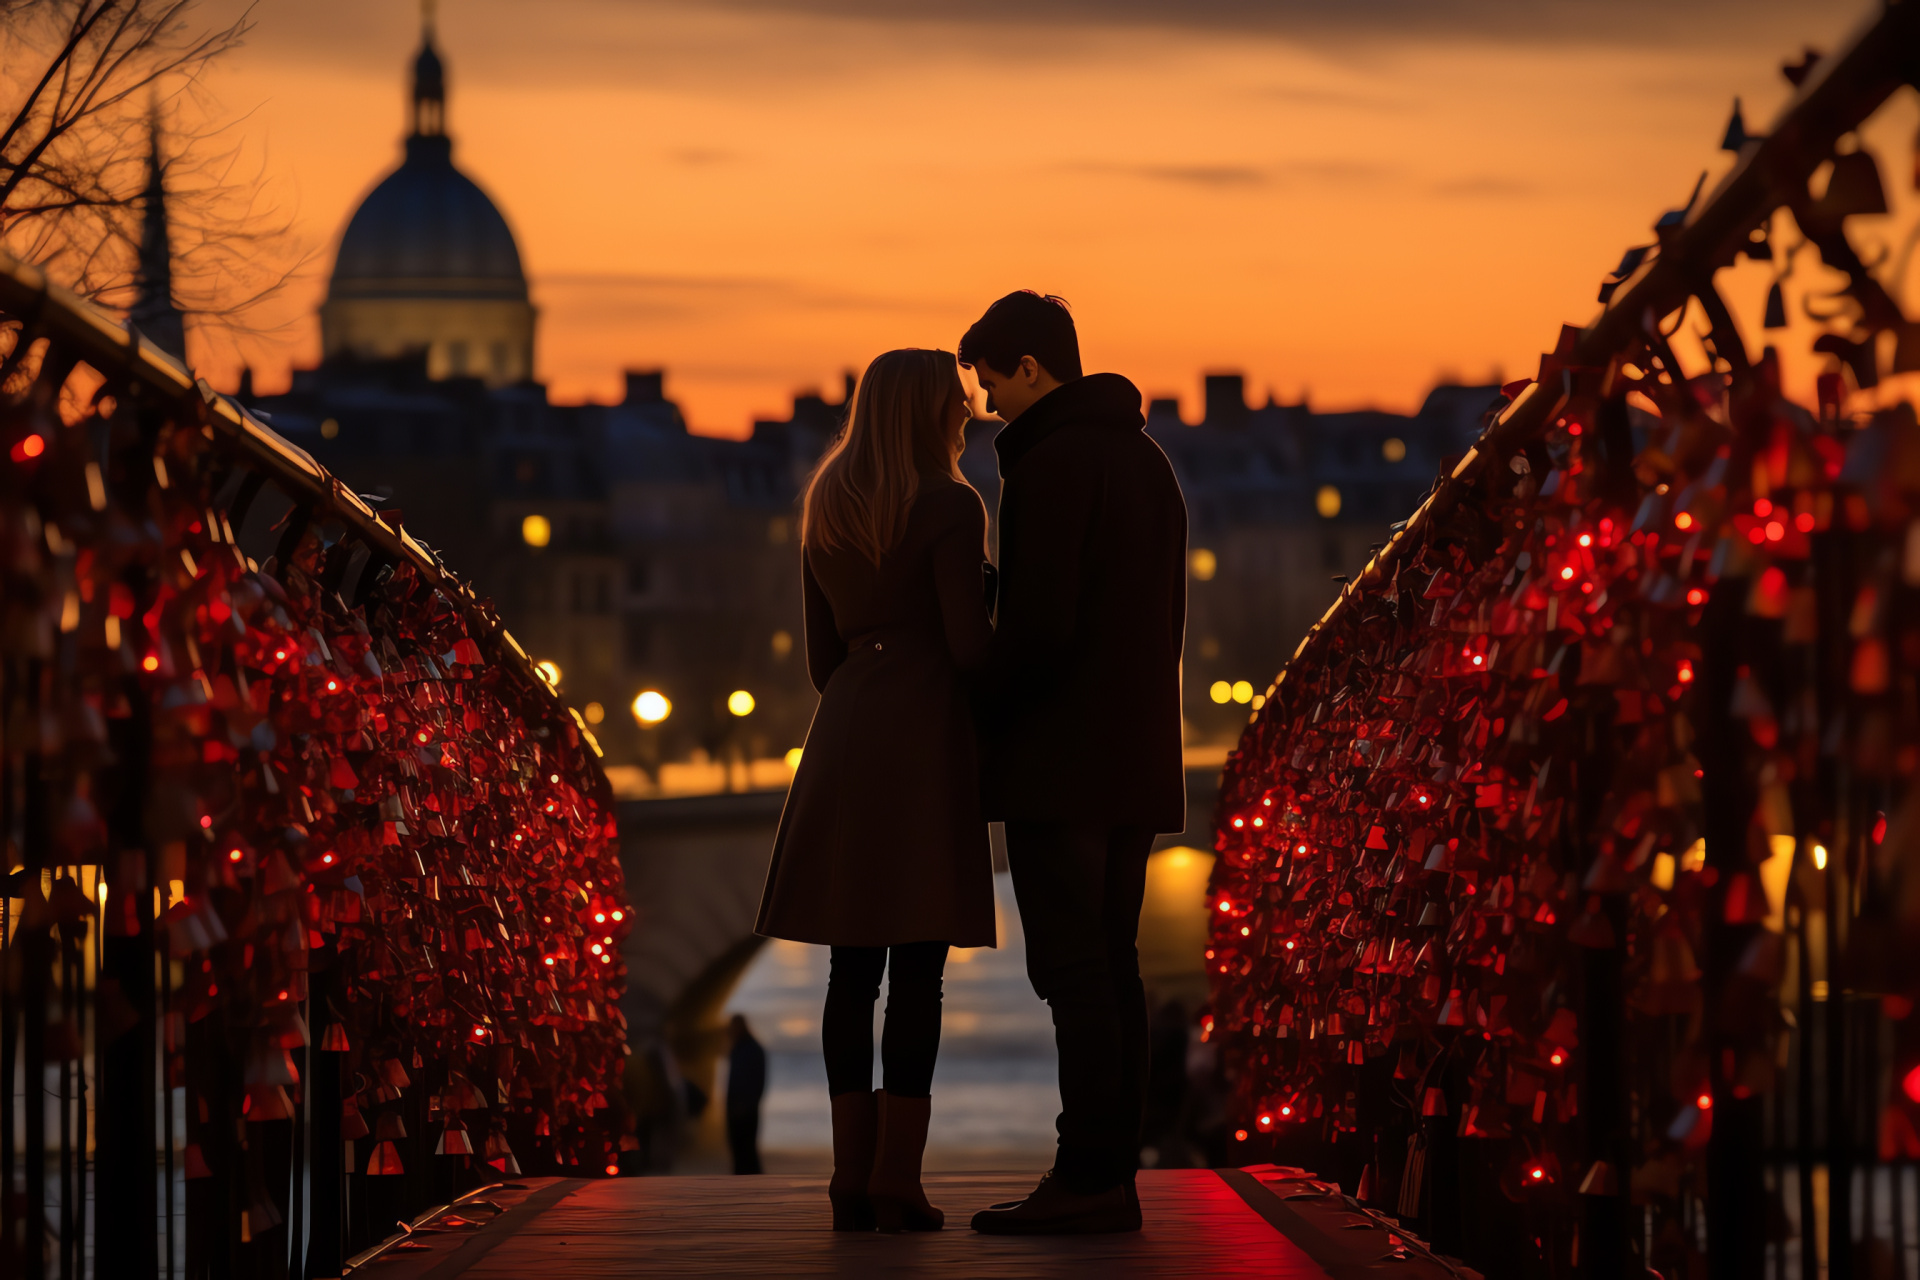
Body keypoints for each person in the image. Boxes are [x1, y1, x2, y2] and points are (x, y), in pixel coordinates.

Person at [958, 292, 1188, 1235]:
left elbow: (1042, 630)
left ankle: (1085, 1177)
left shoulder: (1049, 467)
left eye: (990, 382)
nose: (985, 405)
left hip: (1063, 759)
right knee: (1117, 969)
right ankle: (1109, 1171)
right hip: (1133, 754)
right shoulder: (1144, 461)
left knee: (1071, 971)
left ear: (1031, 370)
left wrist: (977, 690)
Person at [754, 348, 998, 1233]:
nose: (968, 414)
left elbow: (825, 663)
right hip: (925, 734)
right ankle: (900, 1175)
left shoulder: (828, 501)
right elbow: (971, 651)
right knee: (918, 976)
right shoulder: (949, 504)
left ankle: (848, 1177)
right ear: (929, 412)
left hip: (849, 729)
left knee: (848, 971)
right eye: (957, 402)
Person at [725, 1014, 767, 1175]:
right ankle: (741, 1187)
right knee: (738, 1154)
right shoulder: (737, 1049)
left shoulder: (753, 1050)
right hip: (734, 1110)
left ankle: (755, 1187)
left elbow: (758, 1082)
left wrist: (749, 1104)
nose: (732, 1030)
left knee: (747, 1153)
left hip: (747, 1111)